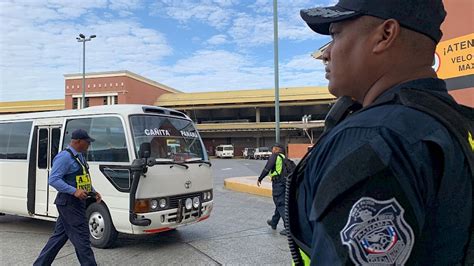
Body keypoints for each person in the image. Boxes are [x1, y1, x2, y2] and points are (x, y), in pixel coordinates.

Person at [286, 0, 473, 265]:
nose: (326, 53)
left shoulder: (375, 139)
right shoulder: (456, 122)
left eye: (335, 34)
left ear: (385, 35)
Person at [34, 129, 101, 266]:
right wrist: (74, 191)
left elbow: (82, 179)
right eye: (87, 142)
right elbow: (53, 179)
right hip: (70, 204)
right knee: (82, 239)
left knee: (58, 238)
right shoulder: (64, 157)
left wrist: (93, 192)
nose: (89, 145)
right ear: (78, 141)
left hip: (74, 203)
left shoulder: (79, 156)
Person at [257, 143, 288, 236]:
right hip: (284, 183)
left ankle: (288, 228)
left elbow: (267, 168)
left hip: (278, 183)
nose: (272, 150)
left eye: (274, 148)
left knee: (280, 203)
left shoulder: (275, 156)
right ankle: (274, 222)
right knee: (280, 202)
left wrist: (260, 178)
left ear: (277, 149)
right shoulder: (284, 157)